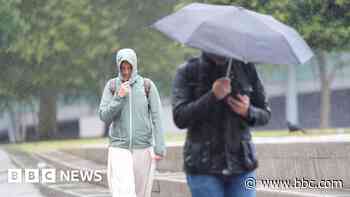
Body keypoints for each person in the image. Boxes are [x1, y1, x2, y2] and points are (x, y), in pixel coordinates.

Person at [172, 52, 271, 197]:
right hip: (203, 168)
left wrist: (248, 111)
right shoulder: (188, 71)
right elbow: (180, 117)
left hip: (242, 165)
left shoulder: (246, 68)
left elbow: (265, 114)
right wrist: (212, 96)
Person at [99, 48, 166, 197]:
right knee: (124, 192)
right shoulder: (111, 86)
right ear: (118, 66)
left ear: (134, 66)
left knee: (141, 193)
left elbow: (157, 117)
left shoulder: (147, 86)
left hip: (143, 148)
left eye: (129, 67)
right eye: (123, 67)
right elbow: (103, 116)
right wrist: (118, 97)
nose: (126, 71)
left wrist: (160, 147)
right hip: (119, 148)